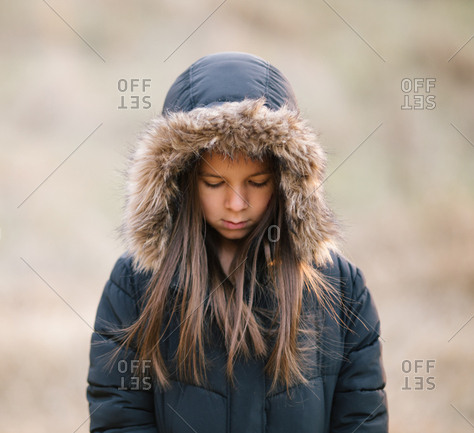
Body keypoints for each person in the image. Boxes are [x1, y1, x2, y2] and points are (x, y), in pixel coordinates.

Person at [86, 52, 388, 433]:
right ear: (180, 179)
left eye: (257, 183)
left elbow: (362, 419)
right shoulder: (134, 286)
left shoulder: (342, 290)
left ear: (286, 180)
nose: (236, 204)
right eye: (214, 184)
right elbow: (119, 416)